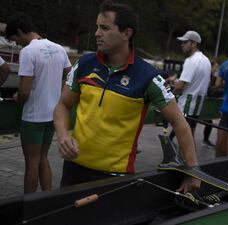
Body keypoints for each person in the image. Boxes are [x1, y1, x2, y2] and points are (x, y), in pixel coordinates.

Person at [53, 0, 200, 193]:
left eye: (104, 28)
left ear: (126, 33)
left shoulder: (148, 76)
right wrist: (63, 135)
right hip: (73, 169)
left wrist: (193, 171)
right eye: (97, 27)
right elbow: (63, 105)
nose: (97, 33)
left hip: (115, 178)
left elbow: (179, 123)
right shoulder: (85, 64)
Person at [6, 14, 72, 193]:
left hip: (33, 117)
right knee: (43, 157)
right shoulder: (58, 48)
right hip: (53, 114)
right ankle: (46, 199)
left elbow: (25, 91)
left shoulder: (28, 52)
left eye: (14, 39)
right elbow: (71, 75)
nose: (16, 44)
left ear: (20, 32)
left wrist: (17, 98)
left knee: (32, 163)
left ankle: (28, 207)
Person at [167, 30, 211, 142]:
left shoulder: (191, 60)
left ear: (194, 44)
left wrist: (167, 98)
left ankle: (187, 159)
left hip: (186, 105)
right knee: (188, 138)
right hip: (196, 106)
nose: (182, 44)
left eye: (185, 42)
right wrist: (176, 82)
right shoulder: (206, 60)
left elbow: (180, 87)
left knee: (185, 141)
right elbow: (195, 82)